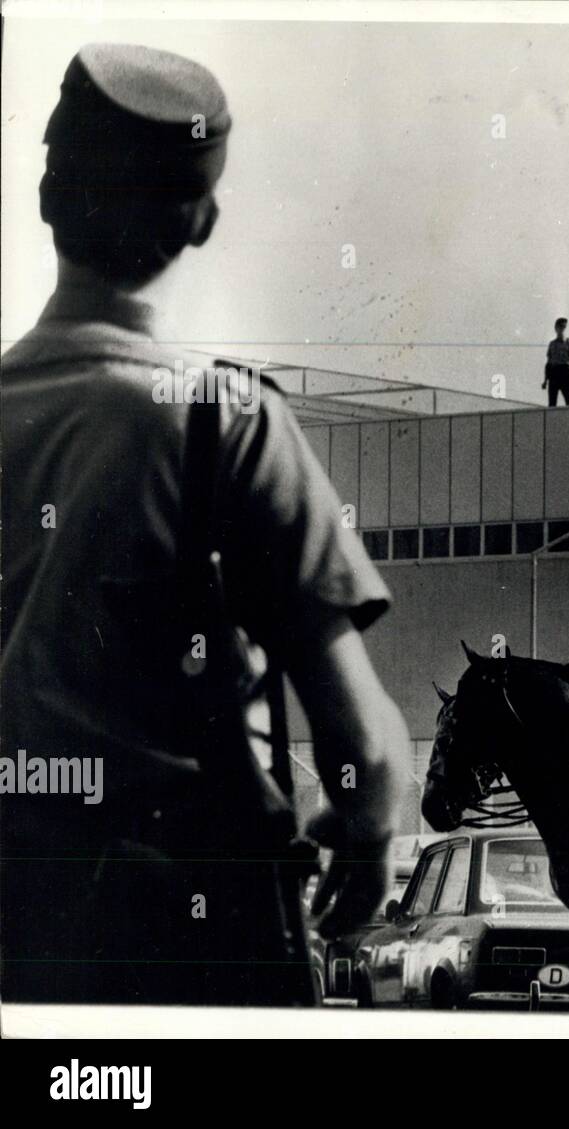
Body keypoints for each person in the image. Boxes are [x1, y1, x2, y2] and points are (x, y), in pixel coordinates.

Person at [0, 44, 407, 1006]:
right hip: (183, 922)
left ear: (49, 197)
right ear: (204, 217)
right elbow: (362, 739)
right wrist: (369, 827)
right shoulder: (222, 420)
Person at [543, 317, 569, 406]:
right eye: (560, 327)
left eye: (564, 327)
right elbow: (548, 362)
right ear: (556, 328)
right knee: (552, 403)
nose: (562, 329)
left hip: (565, 372)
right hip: (554, 372)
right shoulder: (552, 344)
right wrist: (545, 380)